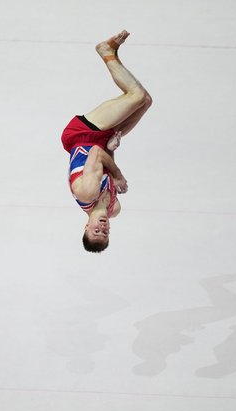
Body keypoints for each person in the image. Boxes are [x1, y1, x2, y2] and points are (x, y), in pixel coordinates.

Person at [61, 30, 152, 252]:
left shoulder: (87, 193)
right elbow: (104, 160)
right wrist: (112, 149)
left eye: (95, 231)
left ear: (86, 226)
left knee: (136, 96)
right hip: (102, 142)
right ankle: (113, 54)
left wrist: (119, 175)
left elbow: (94, 156)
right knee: (146, 101)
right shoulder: (115, 208)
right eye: (105, 233)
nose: (102, 228)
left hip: (81, 134)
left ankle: (106, 51)